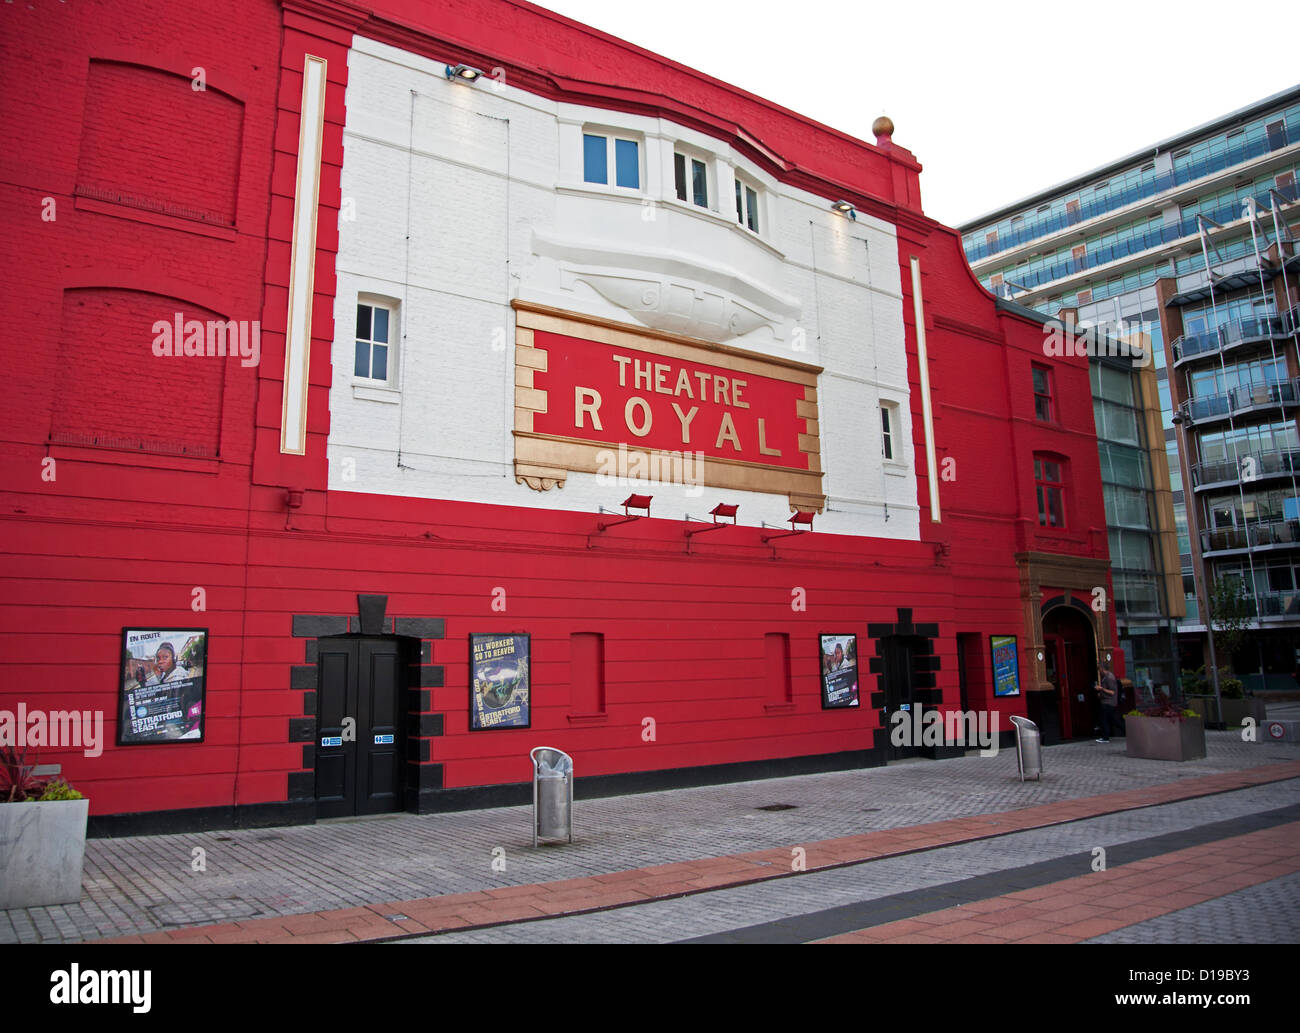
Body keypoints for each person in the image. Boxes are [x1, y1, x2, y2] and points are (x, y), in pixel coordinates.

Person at [1095, 661, 1120, 743]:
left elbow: (1112, 692)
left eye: (1099, 669)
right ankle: (1126, 731)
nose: (1099, 671)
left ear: (1102, 668)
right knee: (1113, 720)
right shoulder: (1106, 677)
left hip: (1108, 703)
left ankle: (1105, 737)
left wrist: (1101, 689)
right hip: (1107, 702)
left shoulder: (1109, 677)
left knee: (1104, 719)